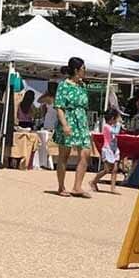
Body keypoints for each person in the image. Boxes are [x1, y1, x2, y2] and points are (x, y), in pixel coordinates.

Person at [54, 57, 92, 198]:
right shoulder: (64, 85)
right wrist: (65, 125)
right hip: (68, 120)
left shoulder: (82, 86)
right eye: (83, 69)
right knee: (64, 155)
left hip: (81, 122)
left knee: (86, 153)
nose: (85, 71)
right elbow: (59, 107)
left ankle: (77, 187)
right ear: (76, 70)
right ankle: (61, 186)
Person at [91, 108, 121, 194]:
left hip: (114, 149)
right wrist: (118, 124)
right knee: (107, 170)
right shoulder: (106, 127)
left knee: (115, 169)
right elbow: (115, 132)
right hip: (107, 150)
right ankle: (93, 181)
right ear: (112, 118)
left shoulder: (112, 126)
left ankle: (113, 188)